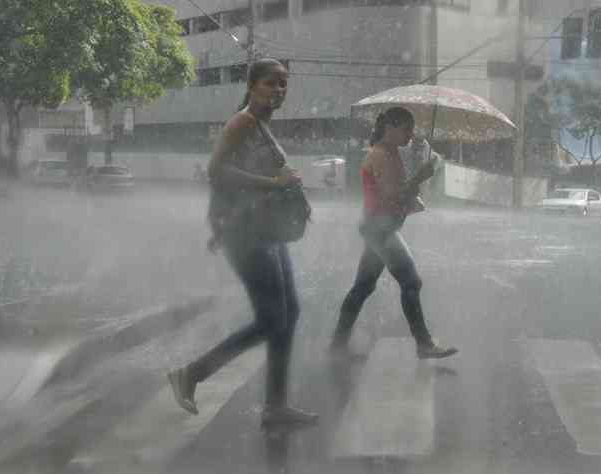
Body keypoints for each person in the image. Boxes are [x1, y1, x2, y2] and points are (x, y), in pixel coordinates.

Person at [168, 59, 318, 427]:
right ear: (252, 85)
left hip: (265, 230)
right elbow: (217, 171)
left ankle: (275, 406)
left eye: (284, 84)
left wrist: (286, 185)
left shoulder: (262, 126)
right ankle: (191, 374)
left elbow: (252, 176)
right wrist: (276, 184)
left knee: (288, 314)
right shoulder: (243, 122)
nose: (279, 90)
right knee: (271, 320)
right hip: (247, 235)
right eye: (271, 83)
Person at [329, 107, 457, 360]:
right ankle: (424, 343)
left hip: (379, 227)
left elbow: (397, 193)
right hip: (381, 229)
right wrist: (420, 176)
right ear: (391, 128)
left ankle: (337, 344)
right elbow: (392, 196)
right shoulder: (380, 155)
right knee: (411, 282)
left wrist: (415, 184)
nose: (411, 134)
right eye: (407, 129)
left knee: (363, 287)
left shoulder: (391, 153)